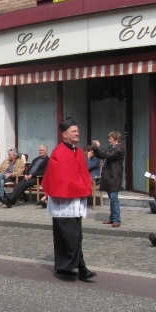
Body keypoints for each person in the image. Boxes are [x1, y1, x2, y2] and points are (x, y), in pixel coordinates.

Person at [42, 117, 96, 281]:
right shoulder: (58, 152)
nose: (77, 133)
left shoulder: (78, 151)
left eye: (78, 130)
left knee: (74, 234)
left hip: (75, 198)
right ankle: (81, 268)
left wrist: (84, 187)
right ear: (65, 135)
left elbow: (82, 172)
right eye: (74, 131)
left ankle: (64, 267)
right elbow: (60, 177)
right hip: (63, 200)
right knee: (68, 235)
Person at [92, 131, 125, 228]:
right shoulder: (112, 148)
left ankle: (116, 220)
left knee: (114, 198)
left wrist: (99, 147)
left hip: (114, 177)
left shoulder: (120, 149)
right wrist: (96, 148)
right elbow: (102, 155)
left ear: (116, 139)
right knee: (112, 198)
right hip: (109, 177)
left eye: (111, 138)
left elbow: (107, 155)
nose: (109, 140)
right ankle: (112, 218)